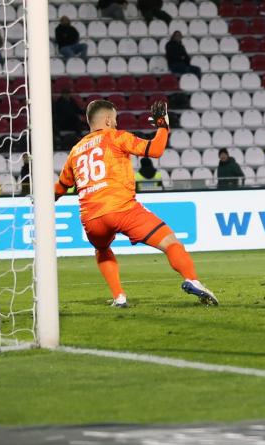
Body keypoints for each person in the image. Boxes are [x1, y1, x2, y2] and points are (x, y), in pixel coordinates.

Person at [54, 99, 218, 307]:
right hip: (122, 208)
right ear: (107, 119)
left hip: (91, 218)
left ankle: (119, 296)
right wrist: (163, 127)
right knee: (171, 243)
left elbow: (60, 187)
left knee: (102, 250)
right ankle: (193, 280)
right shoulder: (116, 137)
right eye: (114, 119)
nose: (115, 123)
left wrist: (41, 199)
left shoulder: (75, 151)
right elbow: (156, 150)